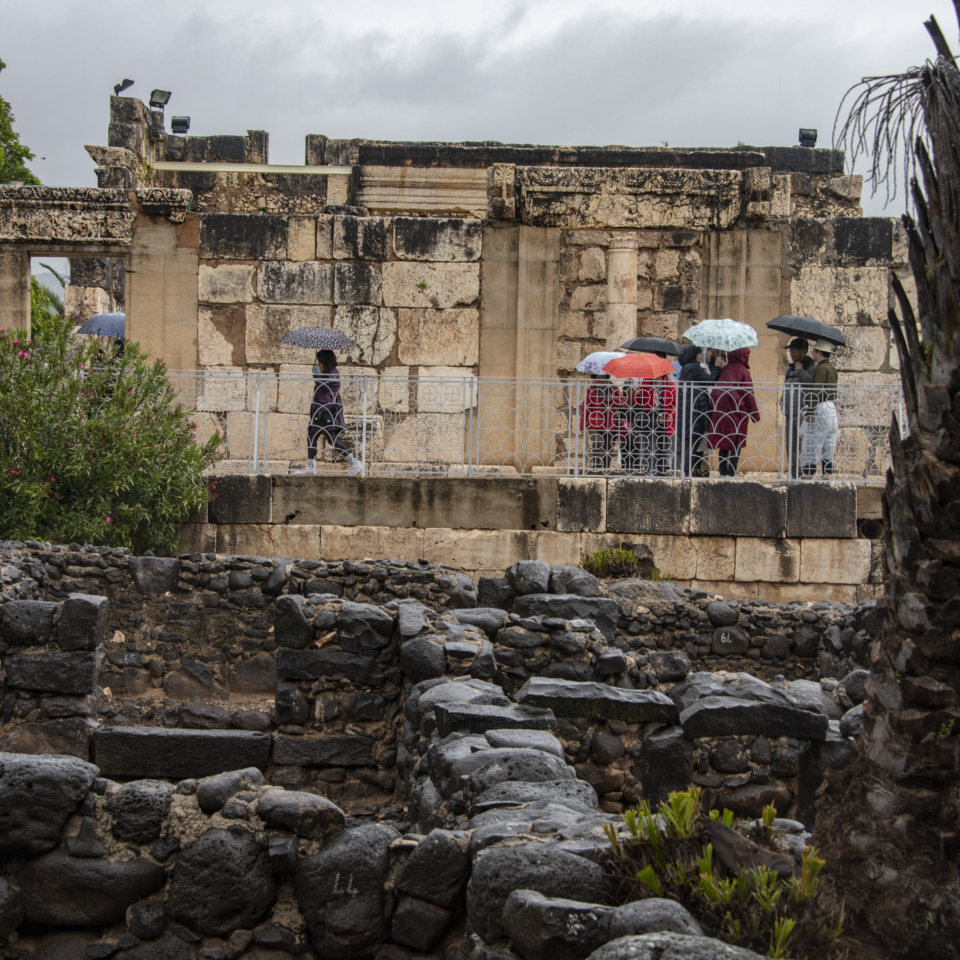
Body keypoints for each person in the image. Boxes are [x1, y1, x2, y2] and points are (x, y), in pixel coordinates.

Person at [295, 349, 364, 477]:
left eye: (320, 361)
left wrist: (316, 372)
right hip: (321, 410)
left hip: (326, 411)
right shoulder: (328, 372)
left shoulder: (332, 372)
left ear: (325, 361)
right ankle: (311, 466)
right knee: (312, 436)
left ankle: (354, 462)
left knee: (330, 439)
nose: (318, 363)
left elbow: (323, 385)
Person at [707, 346, 759, 477]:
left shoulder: (725, 369)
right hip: (737, 412)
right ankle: (731, 471)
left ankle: (723, 471)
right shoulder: (743, 371)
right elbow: (749, 395)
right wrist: (755, 415)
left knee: (724, 440)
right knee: (736, 442)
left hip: (721, 411)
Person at [676, 344, 720, 477]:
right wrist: (716, 367)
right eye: (699, 353)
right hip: (694, 411)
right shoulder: (693, 367)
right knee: (692, 443)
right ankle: (687, 472)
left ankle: (689, 471)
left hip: (691, 410)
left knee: (692, 443)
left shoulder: (687, 368)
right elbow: (710, 380)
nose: (701, 356)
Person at [800, 338, 839, 478]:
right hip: (831, 407)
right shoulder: (832, 369)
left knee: (813, 441)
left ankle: (809, 472)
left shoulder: (821, 368)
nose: (813, 354)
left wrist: (809, 412)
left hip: (821, 408)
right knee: (828, 443)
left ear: (819, 352)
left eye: (814, 351)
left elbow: (815, 391)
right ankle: (827, 472)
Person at [623, 374, 677, 475]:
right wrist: (637, 394)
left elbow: (674, 403)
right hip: (649, 416)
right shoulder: (646, 382)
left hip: (664, 417)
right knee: (649, 444)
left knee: (662, 444)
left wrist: (671, 414)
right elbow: (637, 401)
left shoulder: (670, 385)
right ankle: (649, 469)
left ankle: (661, 471)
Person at [781, 337, 815, 479]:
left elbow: (812, 385)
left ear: (803, 351)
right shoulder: (790, 368)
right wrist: (782, 402)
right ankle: (793, 473)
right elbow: (786, 386)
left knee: (802, 445)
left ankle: (803, 473)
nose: (792, 353)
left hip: (802, 412)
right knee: (791, 446)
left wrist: (801, 371)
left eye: (794, 350)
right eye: (790, 350)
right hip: (790, 412)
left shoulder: (810, 367)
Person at [579, 374, 625, 471]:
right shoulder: (591, 390)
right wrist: (582, 426)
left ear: (606, 379)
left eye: (602, 379)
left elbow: (623, 403)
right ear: (594, 379)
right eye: (598, 379)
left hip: (610, 424)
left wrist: (612, 398)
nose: (600, 382)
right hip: (594, 424)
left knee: (608, 448)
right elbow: (585, 409)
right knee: (598, 442)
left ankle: (605, 469)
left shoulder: (614, 389)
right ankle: (596, 466)